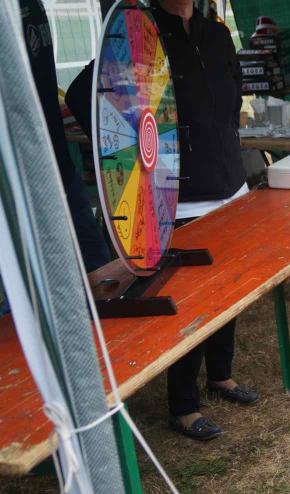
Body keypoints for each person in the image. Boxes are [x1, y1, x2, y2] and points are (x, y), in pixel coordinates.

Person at [67, 0, 259, 441]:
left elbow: (232, 96)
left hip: (229, 184)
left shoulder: (215, 33)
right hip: (179, 197)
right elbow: (85, 94)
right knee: (188, 304)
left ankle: (221, 375)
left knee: (230, 290)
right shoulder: (142, 35)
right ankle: (184, 406)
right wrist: (129, 142)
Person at [21, 0, 110, 272]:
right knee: (33, 281)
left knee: (99, 267)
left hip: (59, 164)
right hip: (25, 177)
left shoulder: (32, 6)